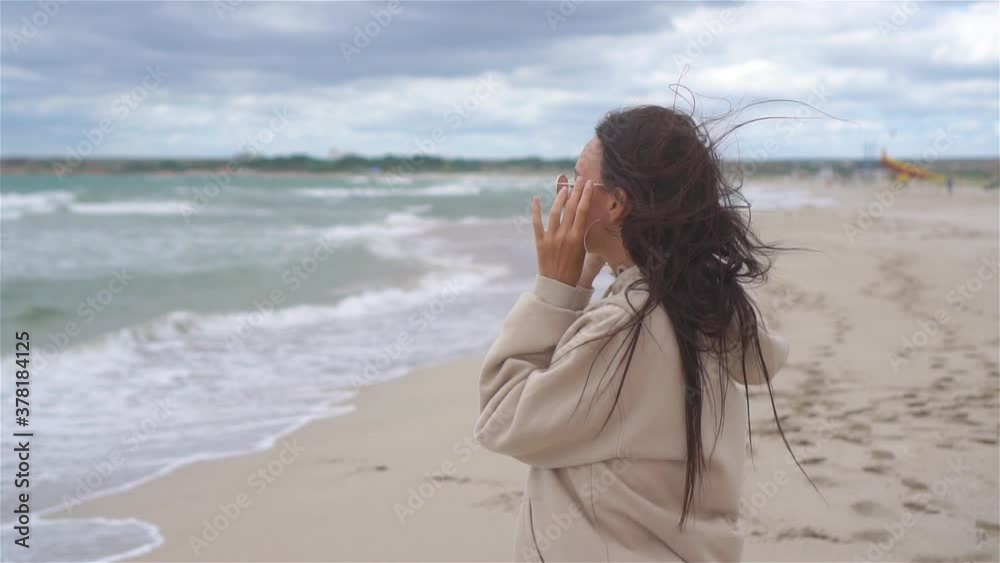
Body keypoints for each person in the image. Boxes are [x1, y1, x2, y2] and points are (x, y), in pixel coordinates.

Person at [475, 105, 793, 561]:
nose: (563, 192)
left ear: (616, 203)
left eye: (577, 179)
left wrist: (554, 293)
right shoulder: (704, 304)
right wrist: (589, 269)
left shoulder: (623, 327)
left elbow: (502, 421)